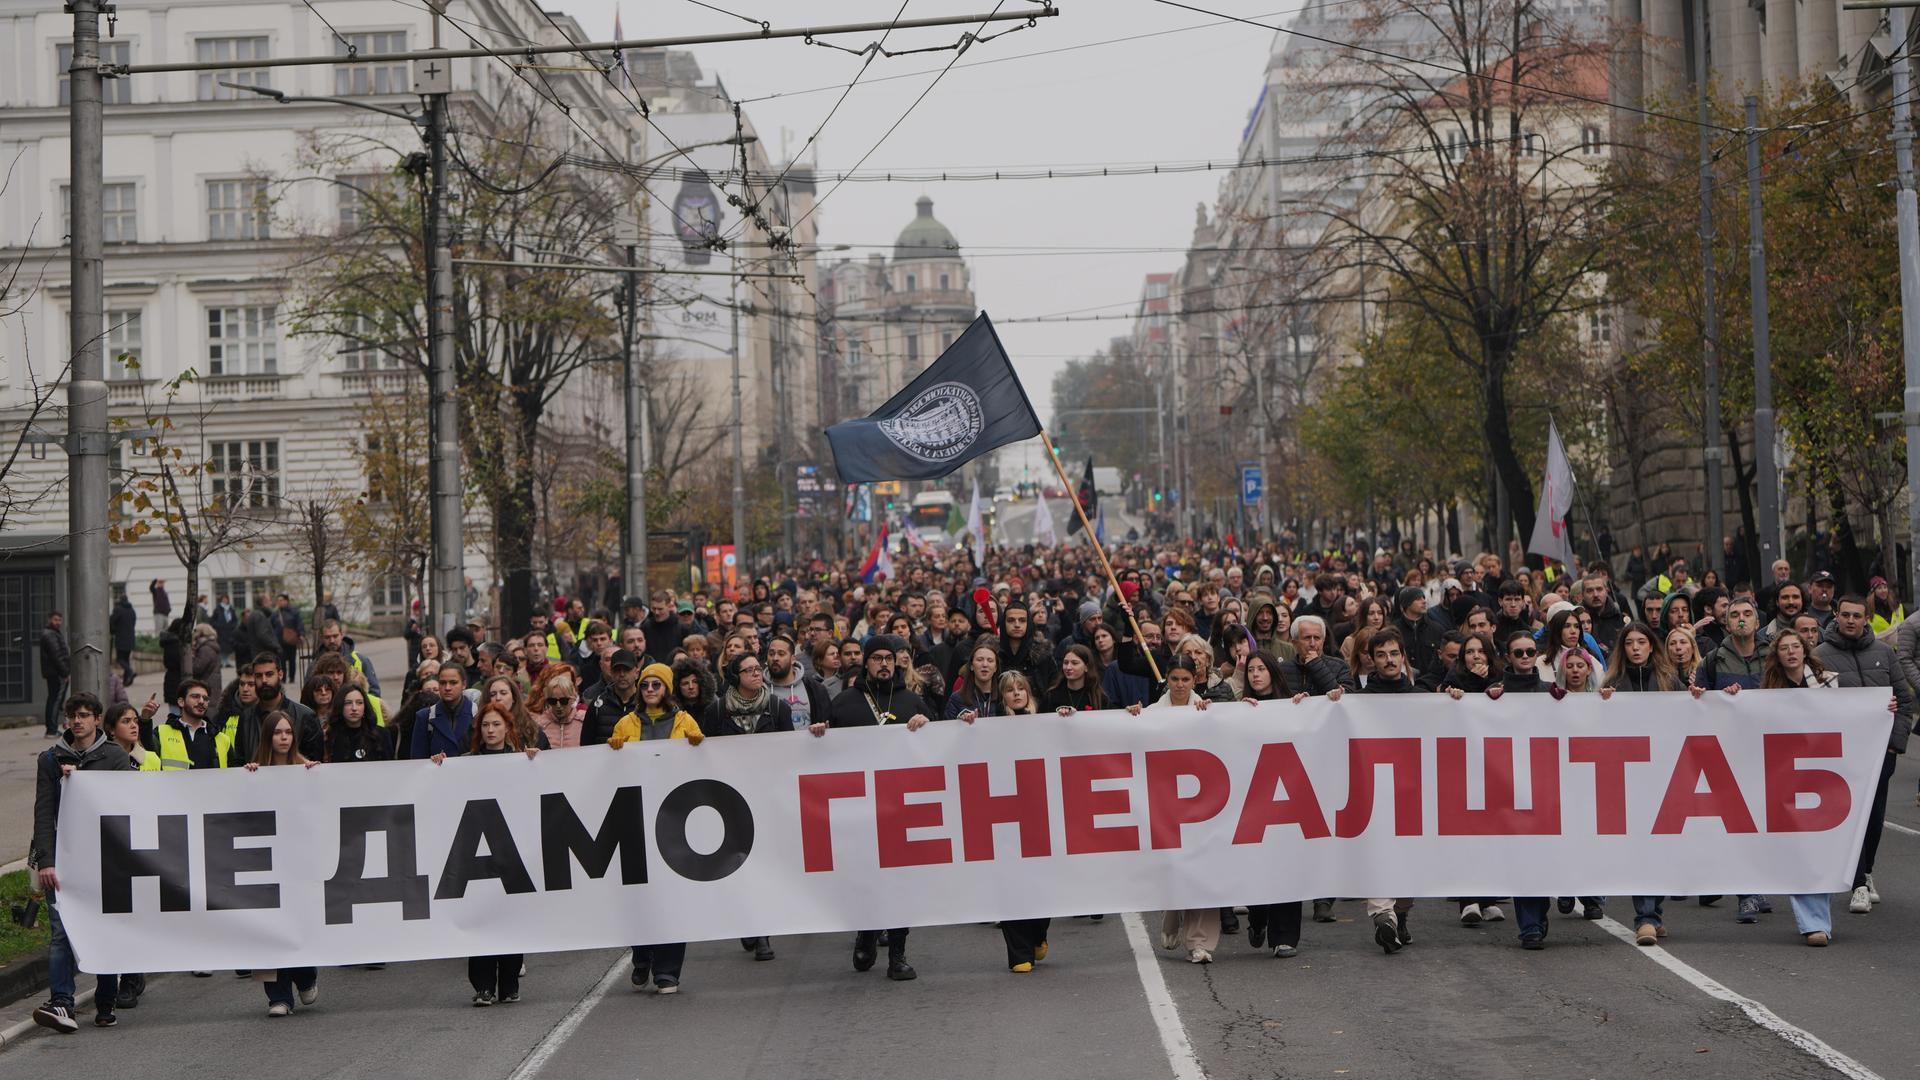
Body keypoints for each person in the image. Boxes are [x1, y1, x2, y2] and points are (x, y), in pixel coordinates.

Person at [815, 635, 935, 981]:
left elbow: (939, 747)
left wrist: (927, 728)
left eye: (890, 658)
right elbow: (825, 754)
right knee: (865, 880)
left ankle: (897, 955)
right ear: (865, 663)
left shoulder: (913, 702)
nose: (884, 663)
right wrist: (820, 733)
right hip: (860, 810)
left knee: (900, 883)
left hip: (902, 809)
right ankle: (866, 931)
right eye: (877, 658)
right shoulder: (844, 703)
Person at [30, 693, 132, 1034]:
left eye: (85, 715)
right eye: (72, 715)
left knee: (102, 927)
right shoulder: (50, 759)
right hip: (63, 859)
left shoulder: (115, 757)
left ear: (97, 720)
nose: (77, 721)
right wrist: (45, 860)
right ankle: (62, 1003)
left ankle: (105, 1002)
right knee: (61, 932)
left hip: (103, 860)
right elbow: (43, 812)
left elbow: (124, 807)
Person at [1813, 596, 1915, 914]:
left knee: (1874, 816)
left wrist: (1895, 744)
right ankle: (1856, 882)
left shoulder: (1884, 654)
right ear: (1837, 616)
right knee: (1850, 817)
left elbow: (1904, 701)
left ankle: (1866, 871)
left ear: (1867, 619)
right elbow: (1812, 706)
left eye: (1857, 616)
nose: (1851, 621)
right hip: (1840, 757)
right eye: (1845, 615)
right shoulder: (1819, 655)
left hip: (1880, 752)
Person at [430, 704, 537, 1005]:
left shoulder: (520, 760)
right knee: (481, 920)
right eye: (486, 725)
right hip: (475, 852)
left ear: (507, 729)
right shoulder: (465, 763)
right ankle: (483, 986)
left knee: (511, 919)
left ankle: (510, 982)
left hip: (510, 851)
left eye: (496, 725)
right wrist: (439, 765)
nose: (491, 730)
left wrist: (535, 763)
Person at [240, 710, 320, 1015]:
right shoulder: (255, 773)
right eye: (277, 732)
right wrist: (248, 780)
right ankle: (278, 996)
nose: (283, 737)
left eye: (288, 732)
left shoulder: (306, 768)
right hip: (266, 863)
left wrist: (317, 777)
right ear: (268, 737)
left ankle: (305, 975)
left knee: (297, 924)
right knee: (270, 928)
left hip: (299, 863)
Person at [410, 662, 475, 761]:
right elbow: (417, 761)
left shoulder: (477, 714)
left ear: (464, 684)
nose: (447, 688)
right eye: (443, 683)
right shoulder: (424, 717)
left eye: (453, 683)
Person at [38, 611, 68, 737]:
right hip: (55, 673)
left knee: (53, 699)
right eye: (55, 620)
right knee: (55, 700)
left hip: (54, 672)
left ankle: (51, 728)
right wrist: (65, 672)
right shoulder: (50, 634)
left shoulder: (52, 633)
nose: (58, 622)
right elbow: (57, 656)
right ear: (50, 619)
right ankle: (51, 729)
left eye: (60, 620)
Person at [110, 595, 137, 686]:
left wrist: (113, 631)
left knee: (120, 659)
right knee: (126, 659)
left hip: (121, 638)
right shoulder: (132, 611)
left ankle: (130, 671)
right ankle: (126, 681)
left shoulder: (118, 610)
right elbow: (133, 623)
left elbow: (111, 621)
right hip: (130, 639)